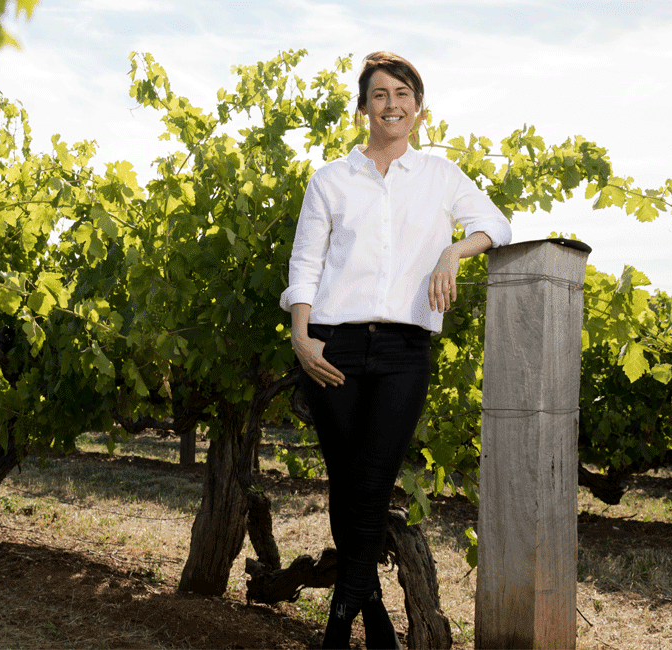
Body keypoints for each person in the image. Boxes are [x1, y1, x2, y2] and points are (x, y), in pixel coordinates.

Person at [279, 51, 511, 649]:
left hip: (405, 350)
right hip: (332, 348)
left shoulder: (440, 176)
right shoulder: (330, 179)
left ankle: (342, 617)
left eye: (403, 94)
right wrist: (302, 339)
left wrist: (452, 252)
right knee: (347, 480)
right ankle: (373, 610)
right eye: (380, 94)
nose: (392, 104)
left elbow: (497, 225)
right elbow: (305, 263)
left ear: (419, 107)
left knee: (375, 478)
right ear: (364, 107)